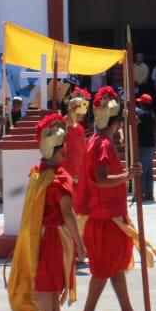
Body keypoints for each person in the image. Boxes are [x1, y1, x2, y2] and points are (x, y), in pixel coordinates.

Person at [7, 113, 87, 311]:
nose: (66, 152)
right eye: (63, 148)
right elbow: (67, 214)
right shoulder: (55, 178)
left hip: (48, 235)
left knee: (54, 284)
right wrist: (80, 245)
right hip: (53, 236)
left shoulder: (39, 172)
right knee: (47, 284)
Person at [79, 87, 150, 311]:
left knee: (115, 266)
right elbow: (101, 179)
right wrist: (127, 175)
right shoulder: (102, 145)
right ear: (116, 121)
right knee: (103, 269)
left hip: (110, 215)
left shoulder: (99, 142)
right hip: (105, 216)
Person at [64, 89, 92, 226]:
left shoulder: (77, 127)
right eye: (80, 115)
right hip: (68, 168)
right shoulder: (68, 126)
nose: (81, 118)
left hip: (76, 168)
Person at [135, 94, 156, 202]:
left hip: (145, 146)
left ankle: (140, 193)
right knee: (148, 171)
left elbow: (135, 118)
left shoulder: (143, 114)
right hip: (151, 145)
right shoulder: (152, 115)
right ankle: (149, 193)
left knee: (142, 170)